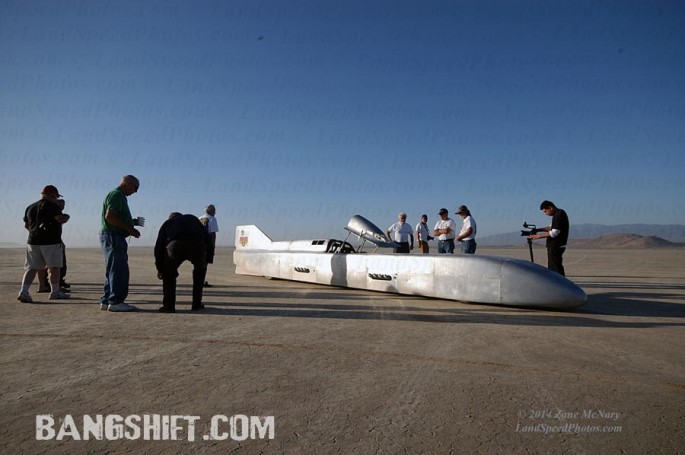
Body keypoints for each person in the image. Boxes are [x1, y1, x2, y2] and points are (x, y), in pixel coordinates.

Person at [17, 185, 71, 303]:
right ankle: (55, 293)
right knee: (54, 268)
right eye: (56, 196)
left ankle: (24, 291)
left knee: (32, 268)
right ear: (52, 195)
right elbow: (60, 219)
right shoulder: (53, 207)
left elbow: (27, 225)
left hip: (33, 242)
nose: (56, 199)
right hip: (51, 241)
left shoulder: (30, 207)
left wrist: (36, 233)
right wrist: (66, 217)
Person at [99, 175, 144, 312]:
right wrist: (130, 229)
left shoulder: (118, 196)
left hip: (112, 235)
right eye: (135, 188)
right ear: (127, 183)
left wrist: (133, 222)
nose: (135, 192)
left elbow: (116, 216)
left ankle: (107, 300)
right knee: (119, 270)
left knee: (112, 269)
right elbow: (110, 216)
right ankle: (116, 301)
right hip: (114, 236)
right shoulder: (117, 195)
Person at [155, 212, 210, 313]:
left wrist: (160, 269)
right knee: (199, 273)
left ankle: (168, 306)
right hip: (197, 246)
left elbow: (159, 248)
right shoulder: (193, 218)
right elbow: (208, 238)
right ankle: (196, 304)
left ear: (171, 218)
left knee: (169, 275)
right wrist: (207, 260)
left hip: (175, 246)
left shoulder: (167, 223)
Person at [528, 200, 570, 276]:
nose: (545, 214)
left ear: (550, 208)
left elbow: (554, 233)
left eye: (545, 211)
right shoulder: (557, 214)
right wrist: (538, 229)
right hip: (555, 245)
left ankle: (559, 284)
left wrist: (538, 236)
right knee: (553, 267)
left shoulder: (559, 215)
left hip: (556, 245)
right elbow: (551, 227)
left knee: (556, 268)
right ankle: (557, 283)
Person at [198, 204, 219, 287]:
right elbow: (213, 234)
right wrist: (213, 246)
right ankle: (201, 281)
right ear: (210, 211)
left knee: (199, 263)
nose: (215, 212)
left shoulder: (200, 218)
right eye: (214, 210)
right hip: (207, 244)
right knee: (205, 264)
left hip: (199, 244)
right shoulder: (212, 219)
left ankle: (199, 280)